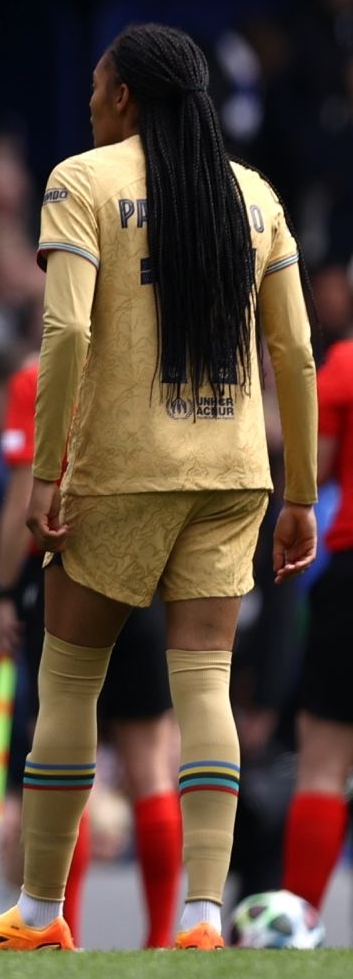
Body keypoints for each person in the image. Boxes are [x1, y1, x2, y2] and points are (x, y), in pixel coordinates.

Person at [0, 23, 319, 952]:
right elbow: (296, 354)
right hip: (235, 473)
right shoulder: (254, 197)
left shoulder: (82, 180)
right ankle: (202, 916)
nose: (87, 102)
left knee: (68, 682)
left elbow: (67, 335)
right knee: (206, 686)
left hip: (119, 472)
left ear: (123, 97)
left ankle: (40, 911)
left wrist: (45, 472)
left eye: (94, 88)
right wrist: (303, 496)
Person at [0, 356, 183, 947]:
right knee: (151, 770)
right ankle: (158, 942)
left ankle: (59, 932)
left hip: (65, 579)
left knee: (69, 767)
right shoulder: (149, 365)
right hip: (144, 572)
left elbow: (25, 493)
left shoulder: (36, 375)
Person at [280, 333, 353, 910]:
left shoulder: (345, 365)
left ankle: (299, 930)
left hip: (350, 577)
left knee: (325, 763)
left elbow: (317, 468)